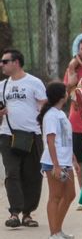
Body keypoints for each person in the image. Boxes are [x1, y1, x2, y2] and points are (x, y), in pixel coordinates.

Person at [1, 48, 47, 229]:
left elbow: (44, 106)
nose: (1, 65)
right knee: (12, 173)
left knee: (33, 174)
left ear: (16, 62)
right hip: (7, 135)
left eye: (5, 61)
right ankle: (14, 213)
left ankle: (28, 213)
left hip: (32, 135)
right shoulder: (2, 85)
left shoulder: (34, 83)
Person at [39, 82, 74, 239]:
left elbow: (65, 139)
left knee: (70, 194)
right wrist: (56, 165)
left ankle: (58, 229)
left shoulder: (60, 114)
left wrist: (72, 157)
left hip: (66, 161)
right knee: (56, 196)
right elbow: (51, 141)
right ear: (62, 95)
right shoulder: (51, 115)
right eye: (66, 92)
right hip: (55, 162)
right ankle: (53, 233)